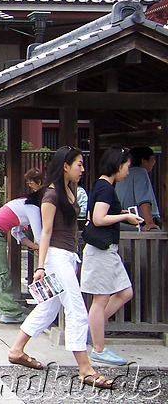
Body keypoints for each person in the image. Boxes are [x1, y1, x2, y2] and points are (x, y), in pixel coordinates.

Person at [7, 146, 116, 390]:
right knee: (76, 309)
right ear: (65, 166)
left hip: (67, 257)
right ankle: (85, 368)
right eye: (78, 164)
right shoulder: (51, 195)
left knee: (48, 308)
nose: (82, 169)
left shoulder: (70, 191)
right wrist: (41, 266)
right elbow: (45, 232)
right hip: (56, 257)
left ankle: (16, 350)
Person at [81, 147, 140, 366]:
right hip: (101, 250)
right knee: (101, 299)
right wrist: (124, 217)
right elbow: (98, 218)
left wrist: (124, 216)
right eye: (127, 166)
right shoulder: (105, 188)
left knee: (125, 292)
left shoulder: (102, 185)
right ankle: (98, 348)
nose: (128, 171)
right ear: (118, 165)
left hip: (106, 250)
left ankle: (93, 329)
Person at [0, 191, 41, 323]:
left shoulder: (22, 202)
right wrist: (40, 247)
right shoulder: (32, 207)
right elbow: (40, 235)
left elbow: (16, 232)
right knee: (0, 272)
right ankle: (10, 312)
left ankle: (2, 308)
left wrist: (35, 247)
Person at [115, 146, 161, 231]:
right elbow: (143, 200)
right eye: (152, 159)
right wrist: (149, 223)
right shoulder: (140, 172)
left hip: (123, 222)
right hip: (140, 222)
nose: (154, 162)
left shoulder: (121, 176)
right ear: (143, 161)